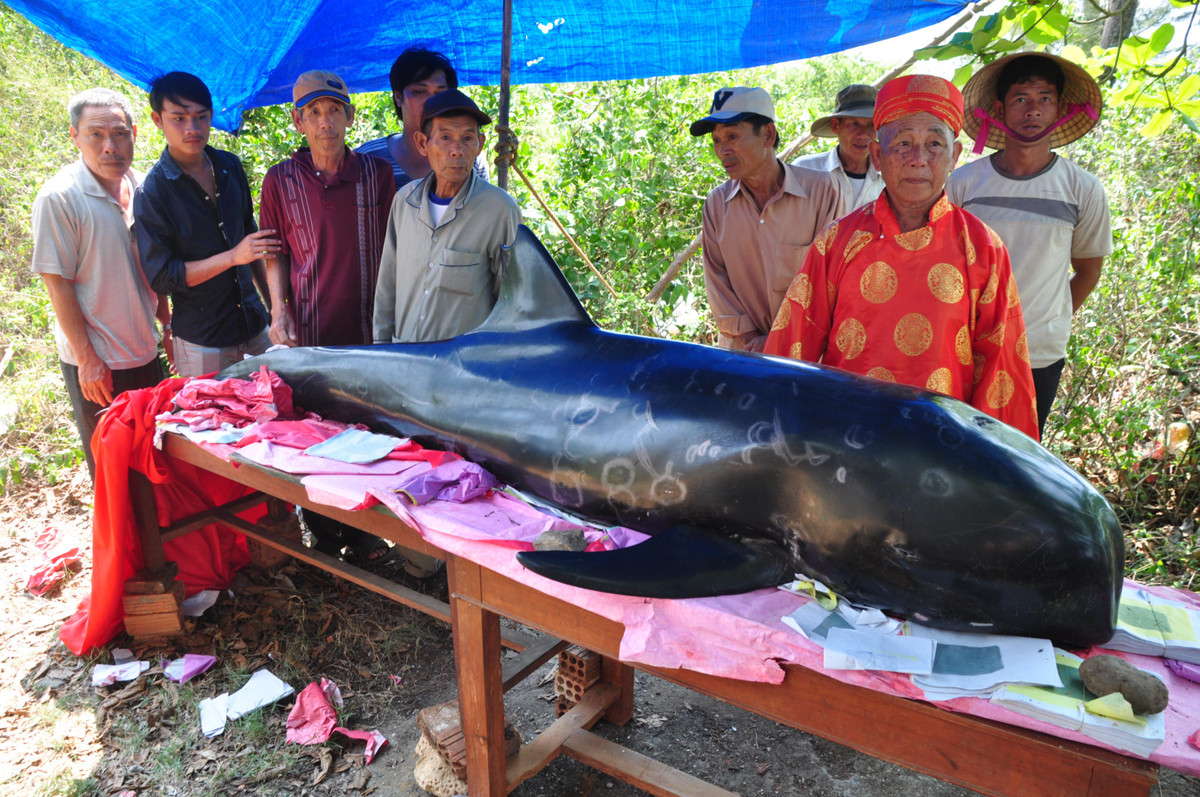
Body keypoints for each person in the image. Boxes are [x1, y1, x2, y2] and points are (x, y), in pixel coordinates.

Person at [765, 75, 1039, 440]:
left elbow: (1001, 374)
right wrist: (780, 437)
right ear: (878, 155)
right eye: (904, 143)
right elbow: (791, 350)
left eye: (934, 144)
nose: (918, 160)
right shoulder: (837, 241)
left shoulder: (984, 248)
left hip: (943, 446)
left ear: (955, 156)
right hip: (846, 440)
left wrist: (993, 460)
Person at [259, 69, 397, 564]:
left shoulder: (376, 175)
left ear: (350, 116)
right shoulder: (280, 180)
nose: (325, 122)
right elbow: (274, 252)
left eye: (334, 110)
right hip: (311, 334)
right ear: (298, 121)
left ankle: (367, 532)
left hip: (369, 332)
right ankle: (323, 531)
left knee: (368, 430)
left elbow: (395, 249)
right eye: (314, 112)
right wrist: (279, 310)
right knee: (315, 431)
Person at [948, 54, 1112, 435]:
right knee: (961, 449)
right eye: (1021, 98)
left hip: (1040, 355)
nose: (1033, 110)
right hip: (968, 350)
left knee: (1021, 456)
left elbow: (1088, 270)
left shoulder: (1082, 189)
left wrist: (1047, 322)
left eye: (1044, 98)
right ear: (1000, 109)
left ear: (1060, 109)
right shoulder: (963, 184)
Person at [32, 88, 167, 479]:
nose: (111, 146)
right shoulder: (61, 197)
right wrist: (87, 360)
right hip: (99, 364)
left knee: (154, 462)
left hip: (144, 349)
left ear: (135, 134)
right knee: (114, 474)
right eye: (96, 135)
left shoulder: (143, 187)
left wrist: (167, 323)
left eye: (120, 134)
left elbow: (154, 267)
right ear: (75, 137)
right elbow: (58, 284)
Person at [134, 72, 274, 377]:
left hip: (256, 326)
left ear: (211, 115)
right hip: (203, 341)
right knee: (209, 409)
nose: (192, 128)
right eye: (179, 118)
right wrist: (232, 257)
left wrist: (273, 307)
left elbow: (250, 239)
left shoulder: (229, 166)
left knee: (274, 402)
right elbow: (163, 277)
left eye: (201, 117)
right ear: (157, 120)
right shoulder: (153, 192)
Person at [690, 87, 844, 352]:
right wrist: (752, 338)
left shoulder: (822, 191)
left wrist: (780, 339)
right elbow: (717, 282)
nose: (722, 150)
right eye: (716, 140)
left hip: (807, 352)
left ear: (768, 135)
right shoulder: (716, 204)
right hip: (743, 353)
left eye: (732, 136)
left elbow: (831, 280)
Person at [373, 88, 520, 345]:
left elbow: (512, 301)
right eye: (444, 137)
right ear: (422, 144)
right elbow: (387, 288)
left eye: (467, 138)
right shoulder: (404, 202)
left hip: (462, 367)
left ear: (480, 144)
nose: (457, 150)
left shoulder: (499, 209)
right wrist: (382, 352)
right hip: (404, 360)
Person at [356, 47, 488, 189]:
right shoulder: (366, 158)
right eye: (419, 92)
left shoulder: (471, 159)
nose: (431, 100)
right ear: (398, 97)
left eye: (440, 93)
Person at [792, 84, 884, 212]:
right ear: (836, 126)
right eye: (854, 124)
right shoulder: (804, 170)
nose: (863, 134)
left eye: (871, 125)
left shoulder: (889, 177)